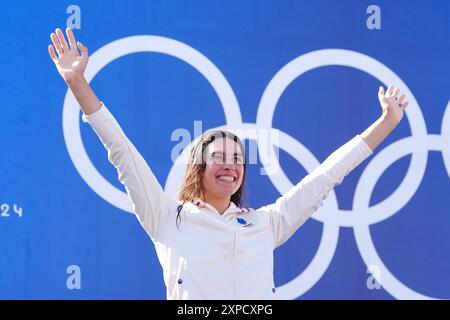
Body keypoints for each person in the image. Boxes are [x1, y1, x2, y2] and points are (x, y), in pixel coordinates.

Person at [49, 27, 409, 300]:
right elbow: (122, 152)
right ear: (198, 169)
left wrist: (386, 124)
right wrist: (78, 83)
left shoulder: (266, 223)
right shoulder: (165, 216)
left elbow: (327, 175)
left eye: (237, 159)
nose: (230, 165)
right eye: (218, 157)